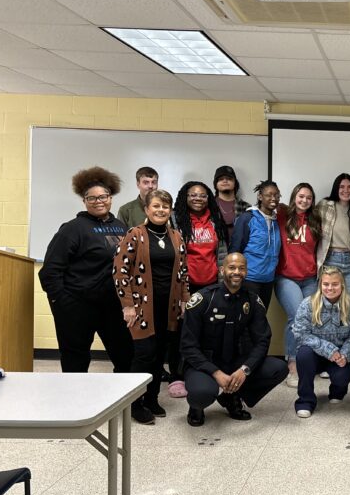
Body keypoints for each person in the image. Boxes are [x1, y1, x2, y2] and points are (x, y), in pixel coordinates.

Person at [39, 166, 132, 373]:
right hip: (78, 306)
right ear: (84, 201)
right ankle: (75, 403)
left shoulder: (120, 227)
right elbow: (49, 272)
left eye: (103, 196)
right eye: (92, 198)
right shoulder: (73, 228)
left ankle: (127, 404)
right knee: (76, 360)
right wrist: (64, 303)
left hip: (113, 306)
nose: (99, 201)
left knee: (126, 355)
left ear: (111, 197)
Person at [180, 253, 288, 427]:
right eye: (232, 268)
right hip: (205, 363)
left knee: (278, 368)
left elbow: (262, 340)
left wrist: (244, 370)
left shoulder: (252, 300)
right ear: (222, 270)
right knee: (202, 393)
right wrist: (216, 373)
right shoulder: (203, 299)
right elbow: (188, 346)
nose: (236, 272)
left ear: (246, 272)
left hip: (236, 361)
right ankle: (196, 407)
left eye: (241, 268)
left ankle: (231, 397)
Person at [113, 189, 189, 424]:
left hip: (168, 308)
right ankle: (135, 404)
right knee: (144, 355)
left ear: (170, 211)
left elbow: (184, 273)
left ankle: (152, 399)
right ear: (147, 209)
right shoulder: (135, 234)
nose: (161, 210)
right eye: (156, 206)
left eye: (165, 207)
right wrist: (128, 306)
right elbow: (119, 272)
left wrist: (185, 299)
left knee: (158, 356)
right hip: (142, 307)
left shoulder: (176, 237)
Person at [170, 181, 229, 396]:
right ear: (185, 197)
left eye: (203, 195)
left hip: (211, 284)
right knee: (181, 330)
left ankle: (203, 372)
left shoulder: (215, 219)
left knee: (207, 330)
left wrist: (223, 279)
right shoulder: (175, 219)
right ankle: (177, 377)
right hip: (186, 285)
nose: (198, 198)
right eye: (193, 195)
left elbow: (222, 253)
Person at [292, 266, 350, 418]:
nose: (330, 288)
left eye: (335, 284)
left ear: (342, 285)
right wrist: (328, 350)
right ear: (320, 285)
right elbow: (300, 333)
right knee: (303, 354)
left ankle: (338, 390)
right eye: (326, 284)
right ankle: (305, 400)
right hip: (314, 355)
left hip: (339, 357)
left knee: (341, 377)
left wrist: (345, 354)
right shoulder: (308, 305)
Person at [274, 182, 322, 387]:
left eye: (309, 198)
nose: (304, 200)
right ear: (294, 196)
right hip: (286, 277)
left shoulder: (315, 220)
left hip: (309, 278)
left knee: (312, 319)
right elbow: (268, 203)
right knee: (297, 317)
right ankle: (292, 365)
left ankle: (309, 361)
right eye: (301, 196)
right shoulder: (282, 215)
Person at [230, 180, 281, 309]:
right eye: (269, 195)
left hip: (268, 280)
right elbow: (235, 249)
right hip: (249, 279)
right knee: (246, 320)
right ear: (260, 196)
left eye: (277, 195)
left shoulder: (277, 221)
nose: (273, 198)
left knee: (260, 318)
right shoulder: (247, 218)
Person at [316, 173, 350, 302]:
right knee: (328, 304)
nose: (346, 190)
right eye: (342, 187)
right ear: (336, 188)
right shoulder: (325, 205)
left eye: (349, 187)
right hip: (331, 260)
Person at [212, 165, 251, 243]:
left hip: (240, 252)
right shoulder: (208, 206)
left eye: (229, 179)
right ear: (216, 184)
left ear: (235, 183)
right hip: (214, 253)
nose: (225, 181)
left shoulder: (246, 207)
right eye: (220, 179)